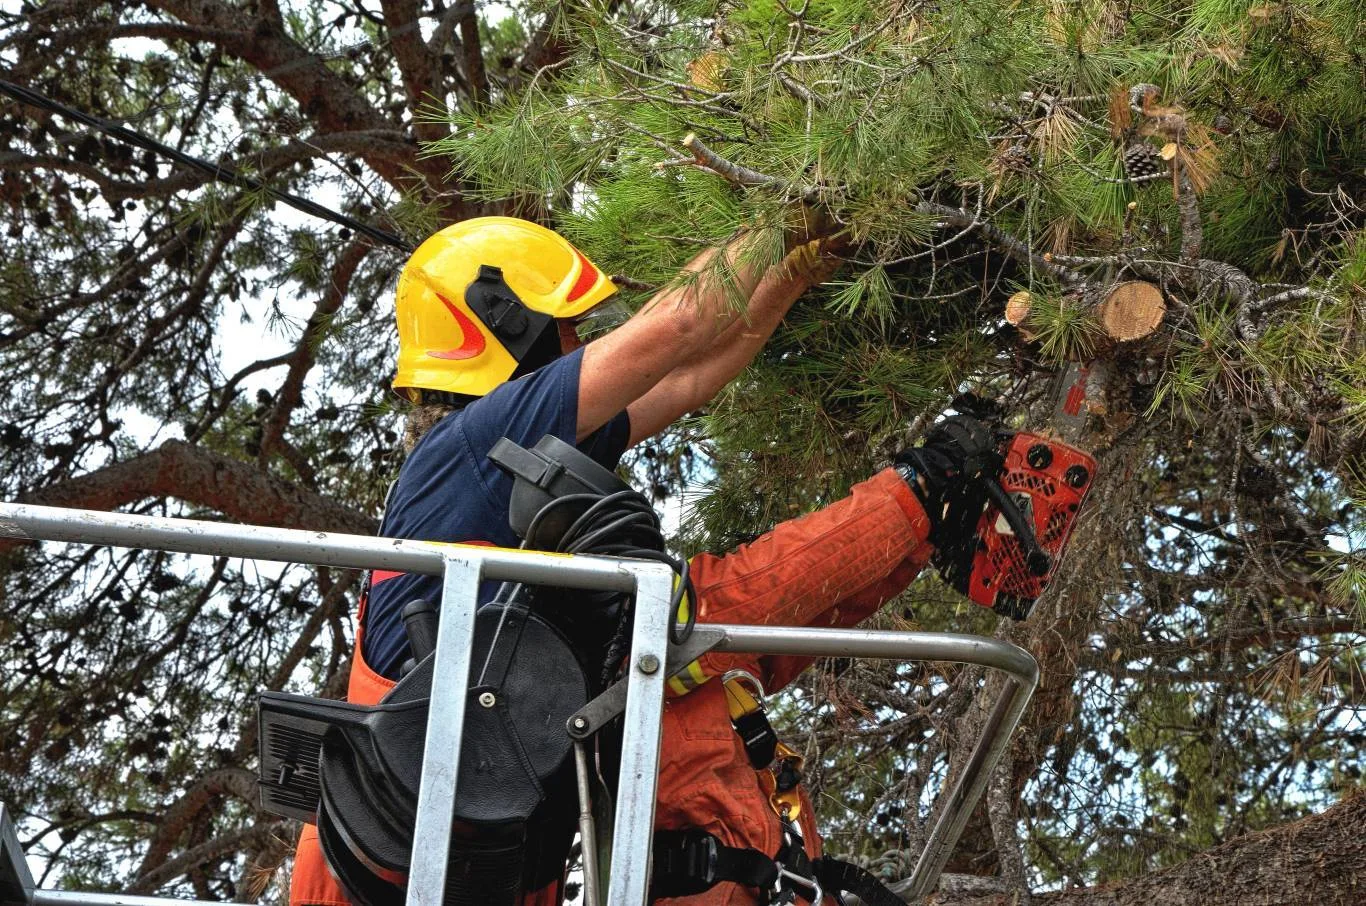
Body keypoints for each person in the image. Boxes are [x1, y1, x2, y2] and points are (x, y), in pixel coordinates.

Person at [289, 216, 985, 906]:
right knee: (683, 616)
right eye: (564, 326)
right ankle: (921, 499)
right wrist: (801, 203)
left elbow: (689, 377)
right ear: (502, 322)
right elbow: (675, 329)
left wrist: (797, 267)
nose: (579, 343)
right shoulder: (471, 447)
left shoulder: (502, 462)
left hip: (477, 844)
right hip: (443, 843)